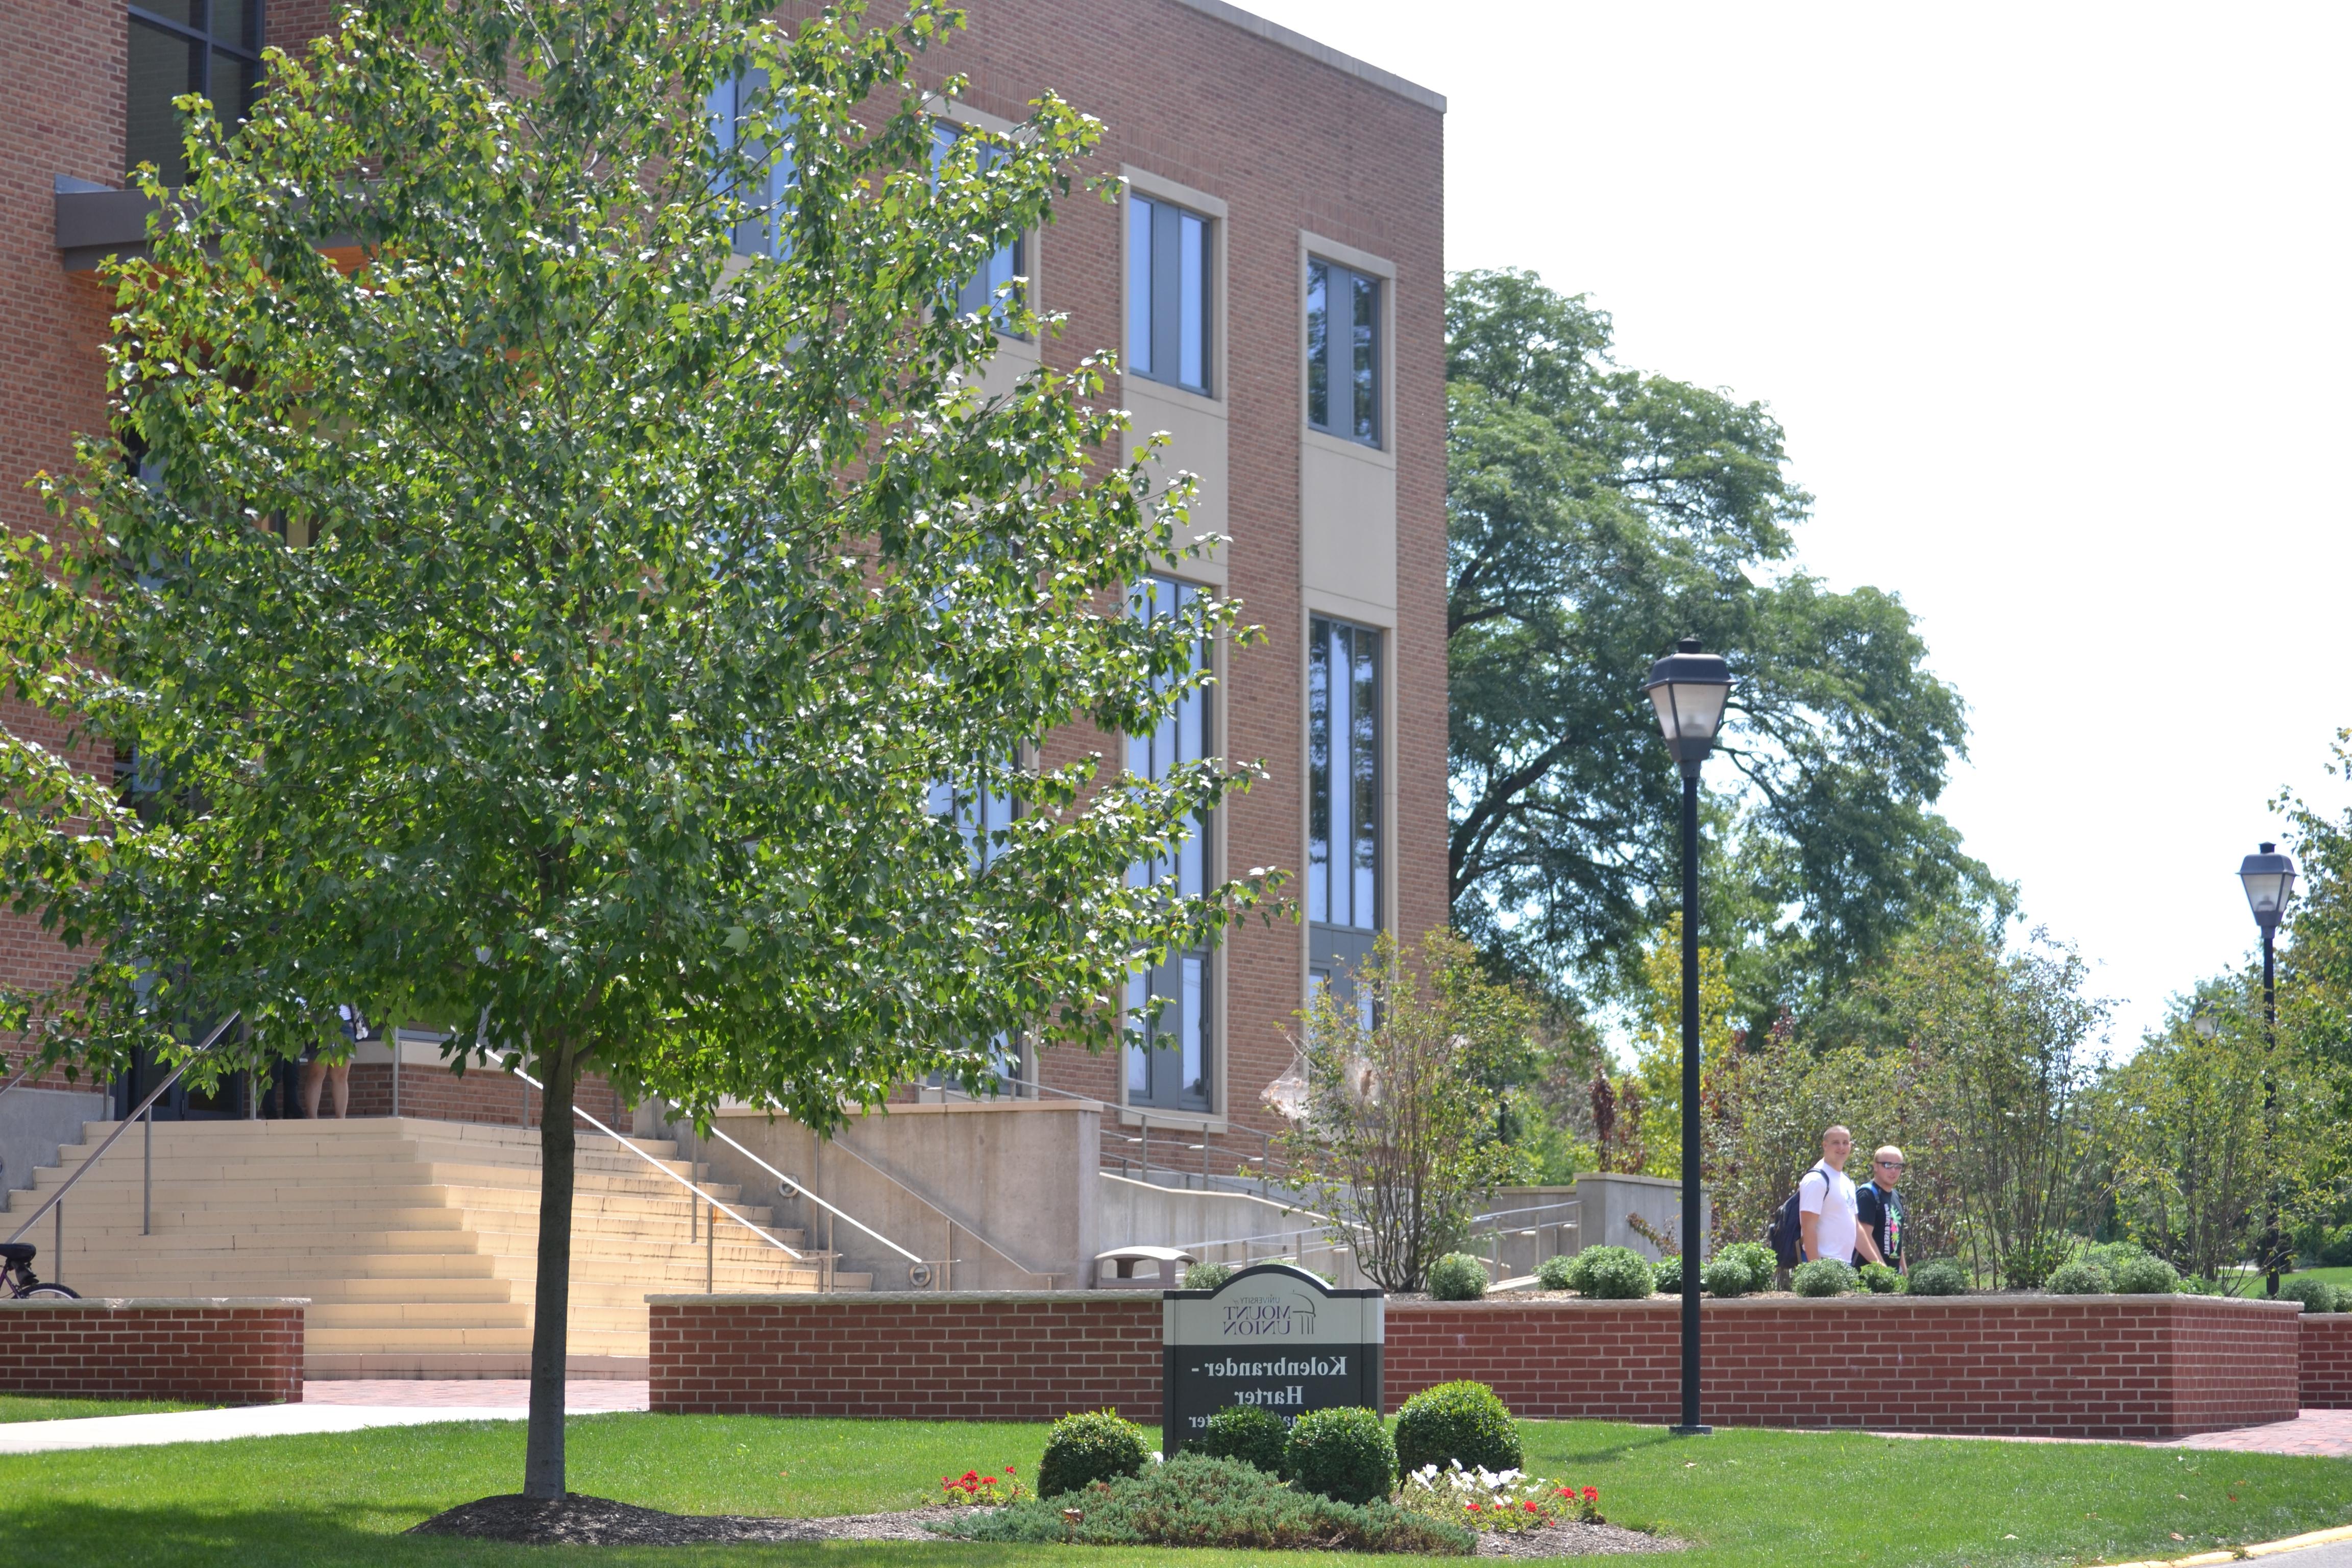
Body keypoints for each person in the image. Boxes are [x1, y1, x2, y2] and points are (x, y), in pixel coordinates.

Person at [1798, 1124, 1885, 1268]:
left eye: (1845, 1143)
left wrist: (1879, 1266)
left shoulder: (1847, 1181)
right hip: (1823, 1262)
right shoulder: (1817, 1179)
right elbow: (1808, 1227)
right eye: (1836, 1143)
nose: (1841, 1147)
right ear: (1825, 1146)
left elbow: (1856, 1228)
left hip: (1845, 1264)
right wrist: (1816, 1270)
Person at [1855, 1145, 1906, 1273]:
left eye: (1898, 1166)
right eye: (1888, 1165)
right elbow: (1863, 1236)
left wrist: (1905, 1273)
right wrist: (1882, 1269)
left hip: (1891, 1277)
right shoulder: (1867, 1194)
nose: (1893, 1171)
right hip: (1868, 1276)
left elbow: (1897, 1238)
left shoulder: (1896, 1196)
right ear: (1876, 1166)